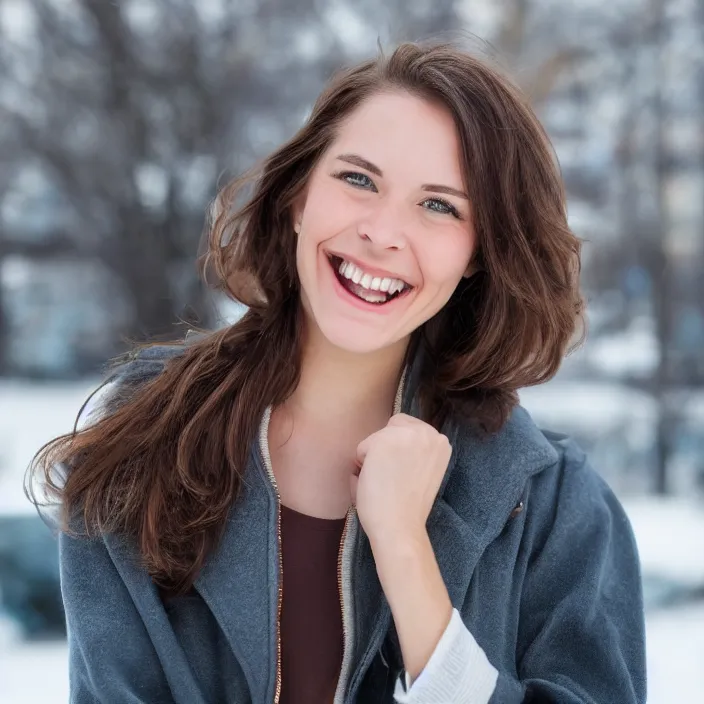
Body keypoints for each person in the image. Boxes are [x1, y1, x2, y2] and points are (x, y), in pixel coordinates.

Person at [29, 40, 646, 704]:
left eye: (439, 205)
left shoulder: (552, 508)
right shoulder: (146, 438)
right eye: (358, 179)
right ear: (298, 197)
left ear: (476, 253)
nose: (382, 233)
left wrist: (408, 554)